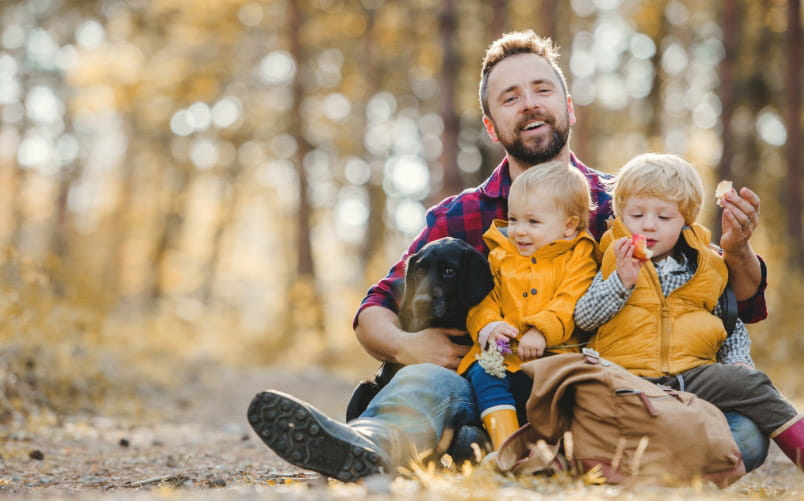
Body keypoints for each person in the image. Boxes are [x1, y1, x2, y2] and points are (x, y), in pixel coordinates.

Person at [247, 30, 770, 482]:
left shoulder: (629, 203)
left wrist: (738, 251)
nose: (529, 104)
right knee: (426, 381)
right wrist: (408, 345)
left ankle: (498, 451)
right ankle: (367, 444)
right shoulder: (461, 216)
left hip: (602, 396)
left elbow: (732, 302)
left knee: (745, 433)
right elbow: (373, 311)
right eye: (510, 97)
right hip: (492, 381)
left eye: (542, 89)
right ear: (492, 125)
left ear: (568, 107)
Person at [573, 153, 804, 497]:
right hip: (629, 380)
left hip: (691, 377)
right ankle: (654, 481)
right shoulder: (612, 257)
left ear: (685, 219)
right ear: (621, 214)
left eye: (663, 216)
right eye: (637, 215)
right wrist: (620, 283)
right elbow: (585, 318)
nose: (648, 225)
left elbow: (730, 327)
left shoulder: (709, 266)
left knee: (748, 381)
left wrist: (738, 361)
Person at [458, 161, 597, 450]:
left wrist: (541, 331)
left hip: (554, 358)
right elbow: (482, 300)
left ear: (569, 226)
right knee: (485, 375)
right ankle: (505, 446)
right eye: (514, 219)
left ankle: (555, 449)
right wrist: (489, 327)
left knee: (576, 391)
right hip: (504, 357)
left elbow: (570, 301)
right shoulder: (500, 257)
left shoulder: (579, 258)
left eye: (533, 222)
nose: (519, 231)